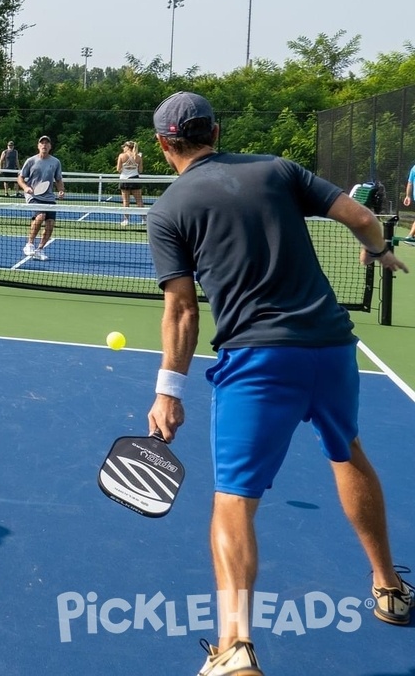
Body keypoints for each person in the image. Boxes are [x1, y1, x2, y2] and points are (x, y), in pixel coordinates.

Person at [143, 91, 412, 676]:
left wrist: (169, 390)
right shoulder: (277, 168)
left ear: (165, 145)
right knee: (348, 451)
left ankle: (234, 647)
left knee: (234, 501)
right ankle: (389, 587)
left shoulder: (167, 210)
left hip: (259, 362)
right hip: (334, 349)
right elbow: (364, 218)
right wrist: (380, 252)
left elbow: (183, 311)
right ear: (217, 129)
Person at [14, 135, 64, 261]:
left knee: (50, 224)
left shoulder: (56, 162)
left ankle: (40, 249)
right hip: (33, 195)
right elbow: (20, 178)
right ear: (38, 146)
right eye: (42, 143)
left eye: (47, 143)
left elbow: (58, 179)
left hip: (49, 196)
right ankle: (29, 244)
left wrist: (61, 190)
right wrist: (25, 188)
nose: (44, 145)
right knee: (40, 216)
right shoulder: (31, 161)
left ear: (50, 146)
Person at [115, 140, 143, 225]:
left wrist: (126, 169)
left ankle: (126, 220)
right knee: (139, 200)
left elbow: (118, 169)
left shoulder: (121, 156)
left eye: (124, 146)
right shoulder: (138, 157)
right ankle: (144, 219)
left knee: (125, 201)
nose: (123, 148)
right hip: (135, 179)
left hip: (124, 180)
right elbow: (140, 170)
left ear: (128, 147)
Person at [403, 160, 415, 243]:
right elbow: (410, 183)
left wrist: (408, 196)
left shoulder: (414, 168)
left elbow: (410, 183)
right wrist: (407, 196)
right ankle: (410, 236)